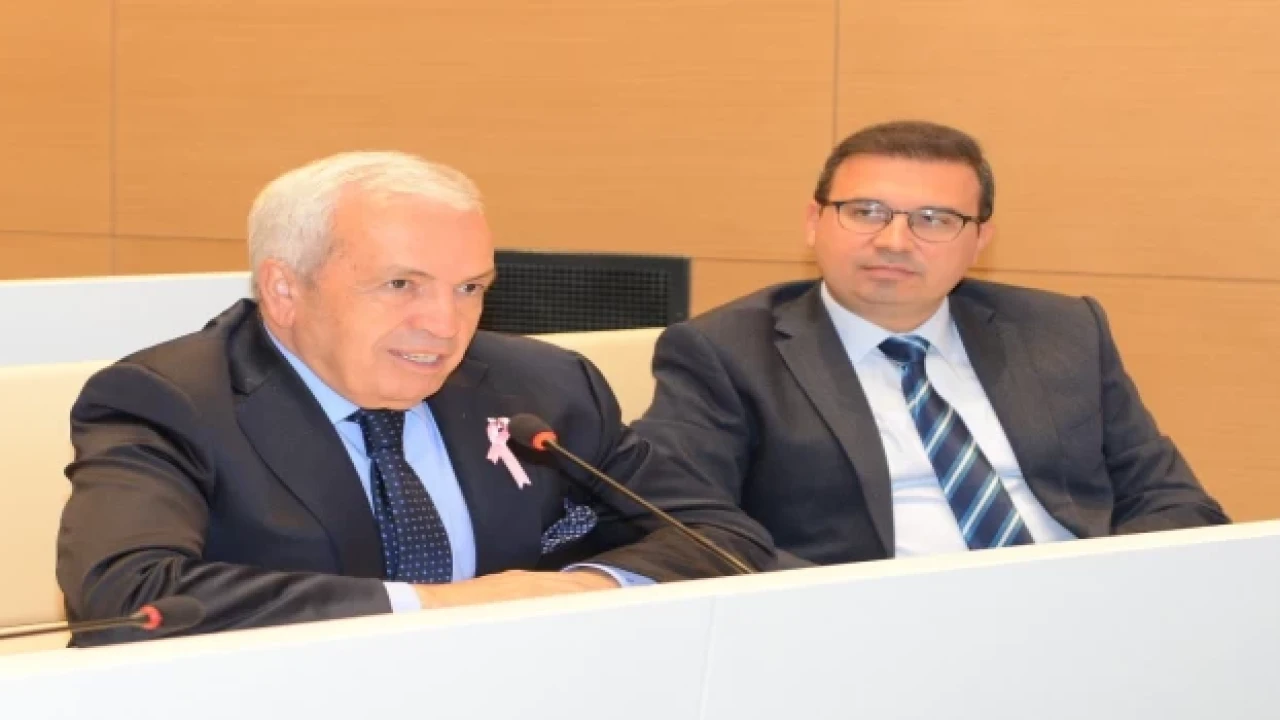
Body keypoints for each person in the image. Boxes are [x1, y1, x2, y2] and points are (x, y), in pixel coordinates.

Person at [57, 151, 773, 645]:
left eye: (470, 288)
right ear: (283, 289)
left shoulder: (545, 386)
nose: (445, 324)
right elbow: (126, 597)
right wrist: (437, 607)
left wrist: (584, 588)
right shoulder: (170, 401)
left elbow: (716, 533)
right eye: (401, 285)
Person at [633, 120, 1227, 567]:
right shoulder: (724, 352)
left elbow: (1173, 501)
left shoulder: (1062, 330)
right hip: (875, 631)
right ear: (814, 222)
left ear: (980, 242)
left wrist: (1109, 590)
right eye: (865, 211)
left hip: (1080, 608)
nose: (894, 241)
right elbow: (685, 523)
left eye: (935, 220)